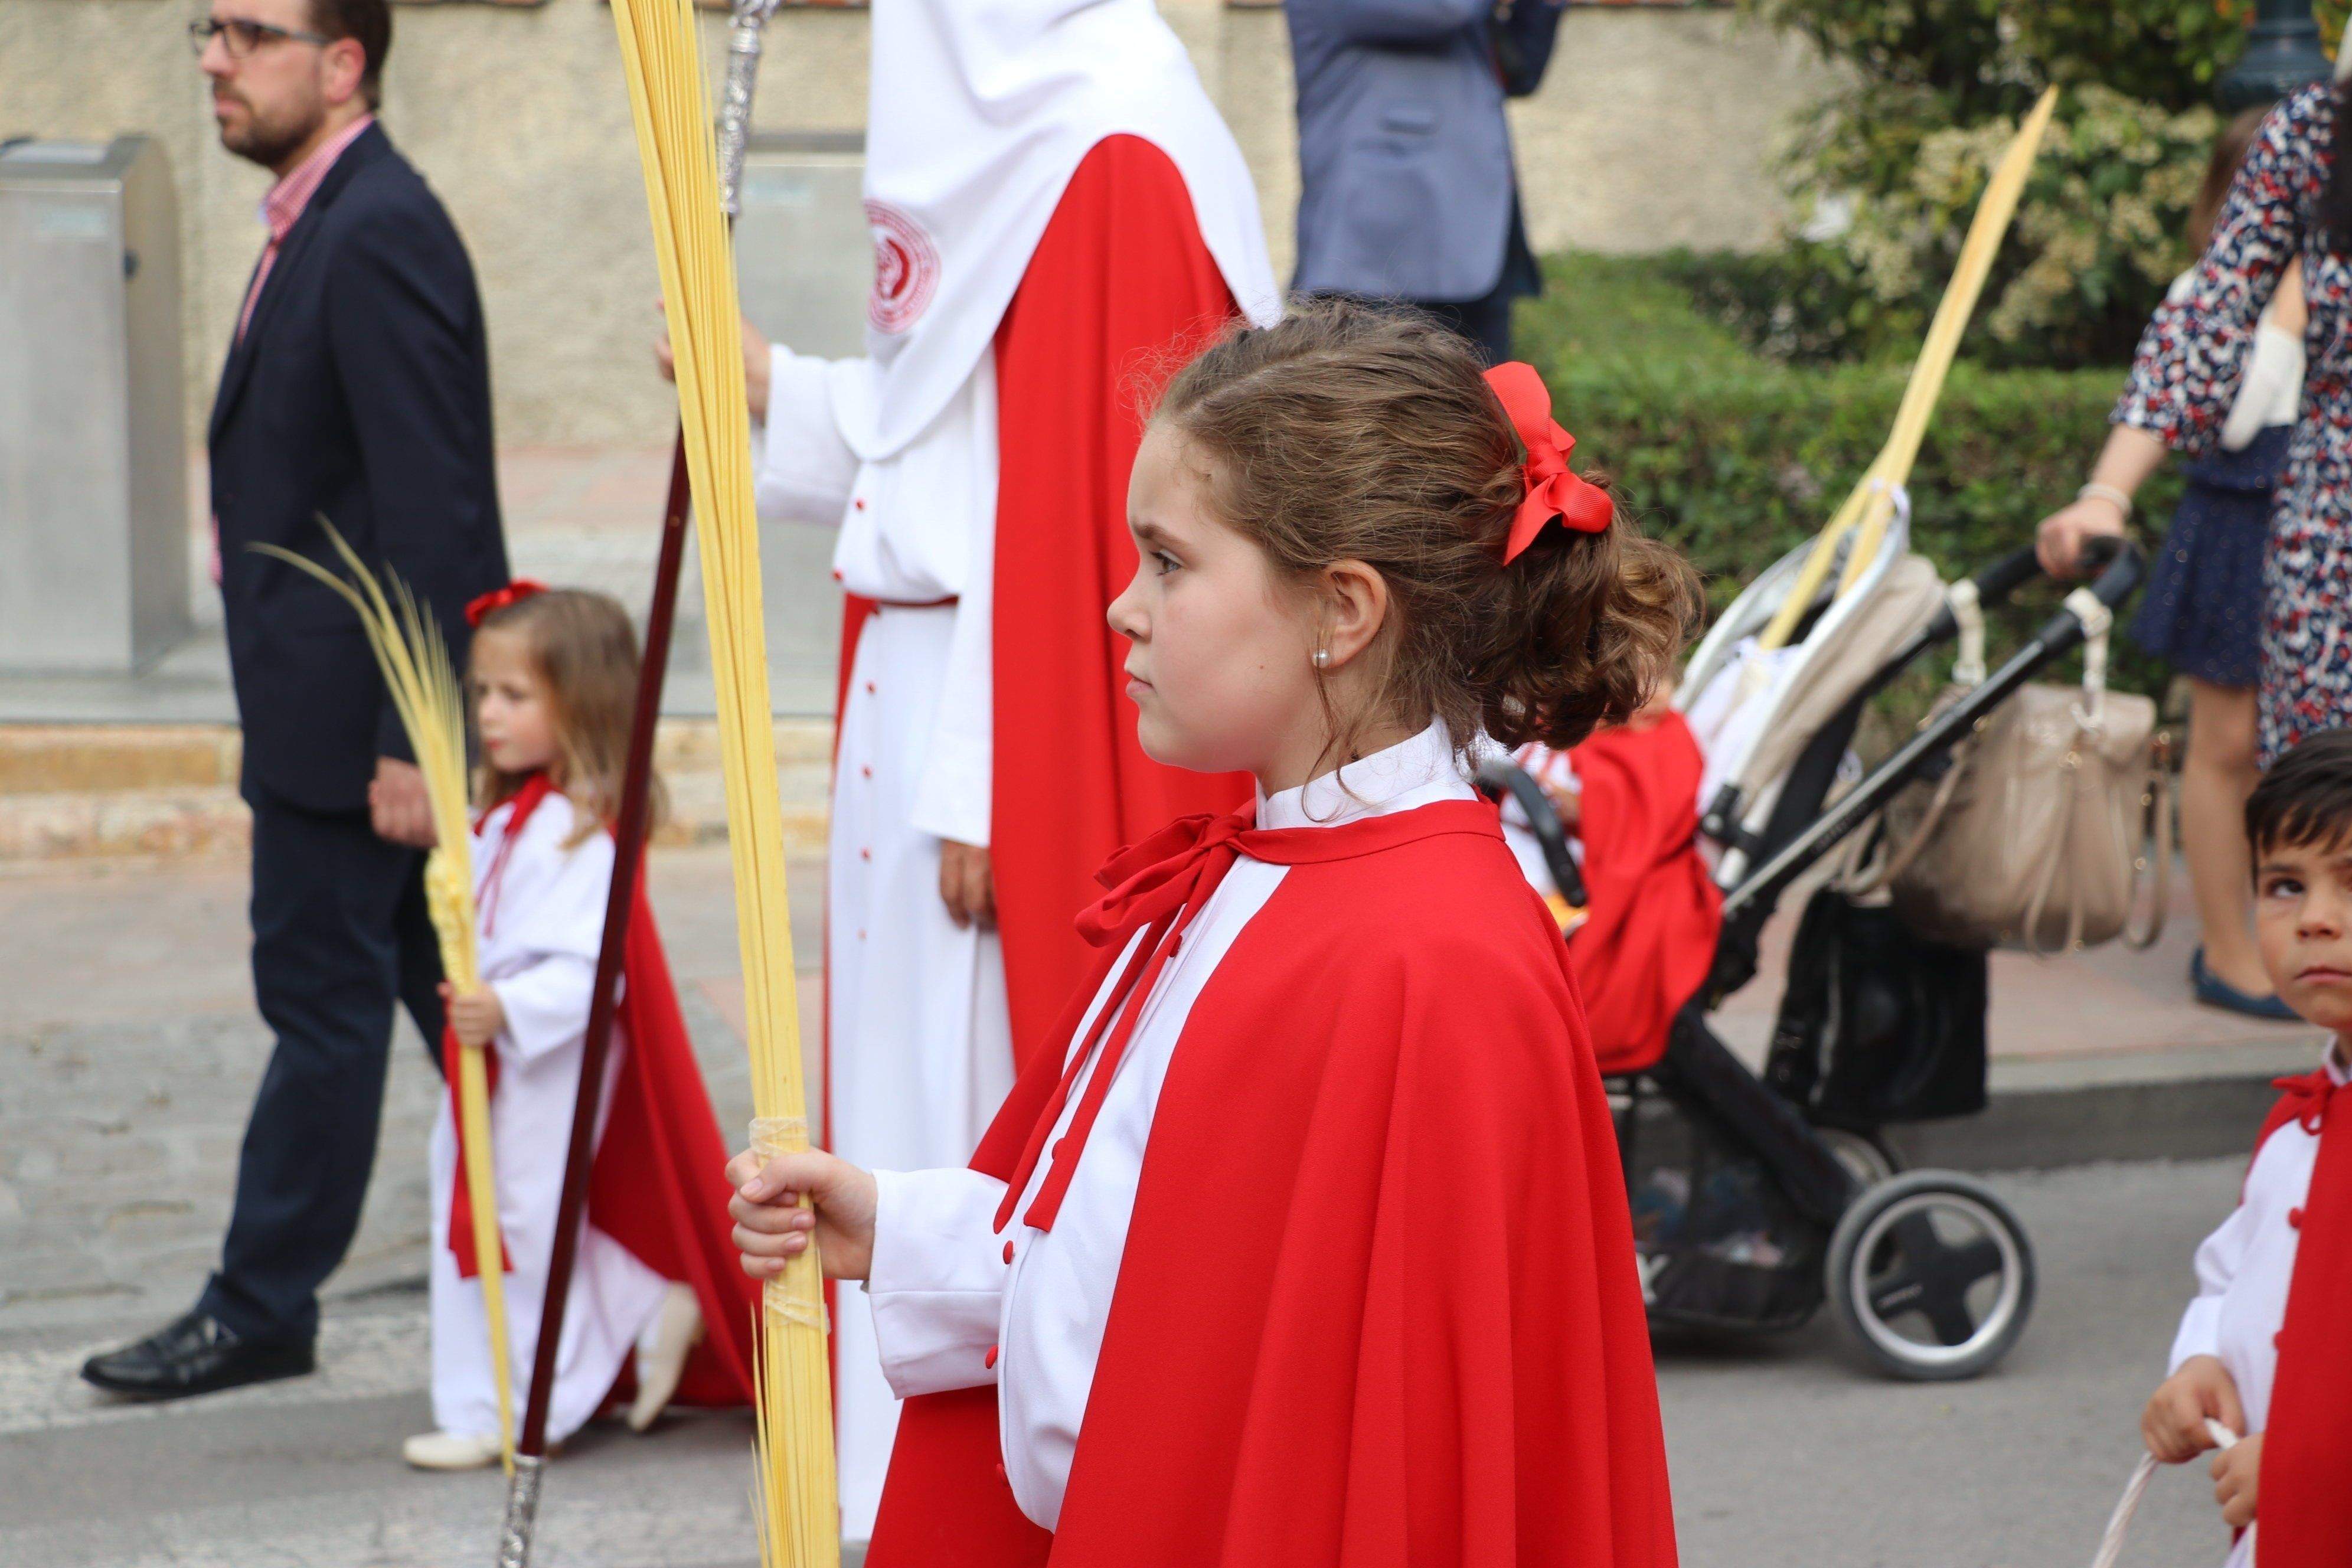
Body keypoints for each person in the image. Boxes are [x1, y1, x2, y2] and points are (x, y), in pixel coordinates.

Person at [727, 303, 1688, 1565]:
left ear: (1341, 610)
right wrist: (906, 1230)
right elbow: (1146, 1281)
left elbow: (1397, 1460)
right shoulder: (1248, 878)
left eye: (1169, 563)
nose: (1124, 608)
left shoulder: (1429, 959)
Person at [685, 0, 1278, 1530]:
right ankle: (879, 1491)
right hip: (926, 692)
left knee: (964, 1112)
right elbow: (954, 437)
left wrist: (989, 782)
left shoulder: (1113, 134)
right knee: (891, 1102)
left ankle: (955, 1498)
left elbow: (1099, 494)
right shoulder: (1008, 115)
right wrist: (769, 383)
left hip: (998, 723)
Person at [83, 0, 508, 1400]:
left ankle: (262, 1302)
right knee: (462, 1020)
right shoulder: (321, 216)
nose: (213, 56)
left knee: (325, 1011)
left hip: (358, 739)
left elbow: (439, 507)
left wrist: (414, 740)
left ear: (343, 65)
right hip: (326, 722)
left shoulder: (377, 226)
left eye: (250, 33)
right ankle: (589, 1250)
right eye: (207, 29)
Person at [406, 585, 759, 1469]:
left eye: (514, 696)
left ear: (583, 701)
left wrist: (512, 1007)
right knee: (474, 1193)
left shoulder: (577, 835)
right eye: (482, 692)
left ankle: (525, 1405)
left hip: (541, 1059)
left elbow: (589, 975)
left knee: (521, 1213)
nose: (488, 713)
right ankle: (624, 1315)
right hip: (493, 1059)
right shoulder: (503, 821)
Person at [2033, 110, 2305, 1020]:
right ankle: (2233, 956)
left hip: (2318, 527)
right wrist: (2282, 310)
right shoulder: (2214, 290)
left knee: (2306, 756)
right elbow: (2225, 420)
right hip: (2238, 527)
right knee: (2228, 750)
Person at [2138, 727, 2352, 1566]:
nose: (2317, 921)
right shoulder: (2294, 1124)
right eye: (2285, 886)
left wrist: (2312, 1467)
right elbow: (2235, 1274)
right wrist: (2201, 1361)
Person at [1283, 0, 1567, 364]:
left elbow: (1521, 71)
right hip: (1380, 258)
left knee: (1488, 410)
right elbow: (1447, 10)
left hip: (1481, 241)